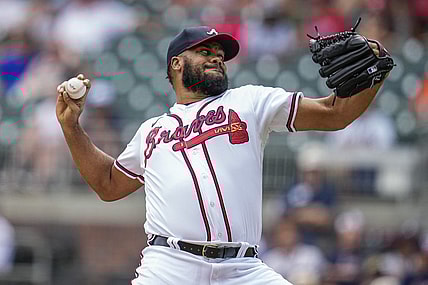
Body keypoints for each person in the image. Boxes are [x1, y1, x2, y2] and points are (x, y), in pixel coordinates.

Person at [56, 26, 390, 284]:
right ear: (176, 63)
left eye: (220, 53)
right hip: (170, 266)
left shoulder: (250, 102)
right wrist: (72, 127)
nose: (217, 57)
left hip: (243, 268)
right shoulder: (151, 130)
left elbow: (335, 114)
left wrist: (374, 75)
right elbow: (108, 185)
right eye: (205, 51)